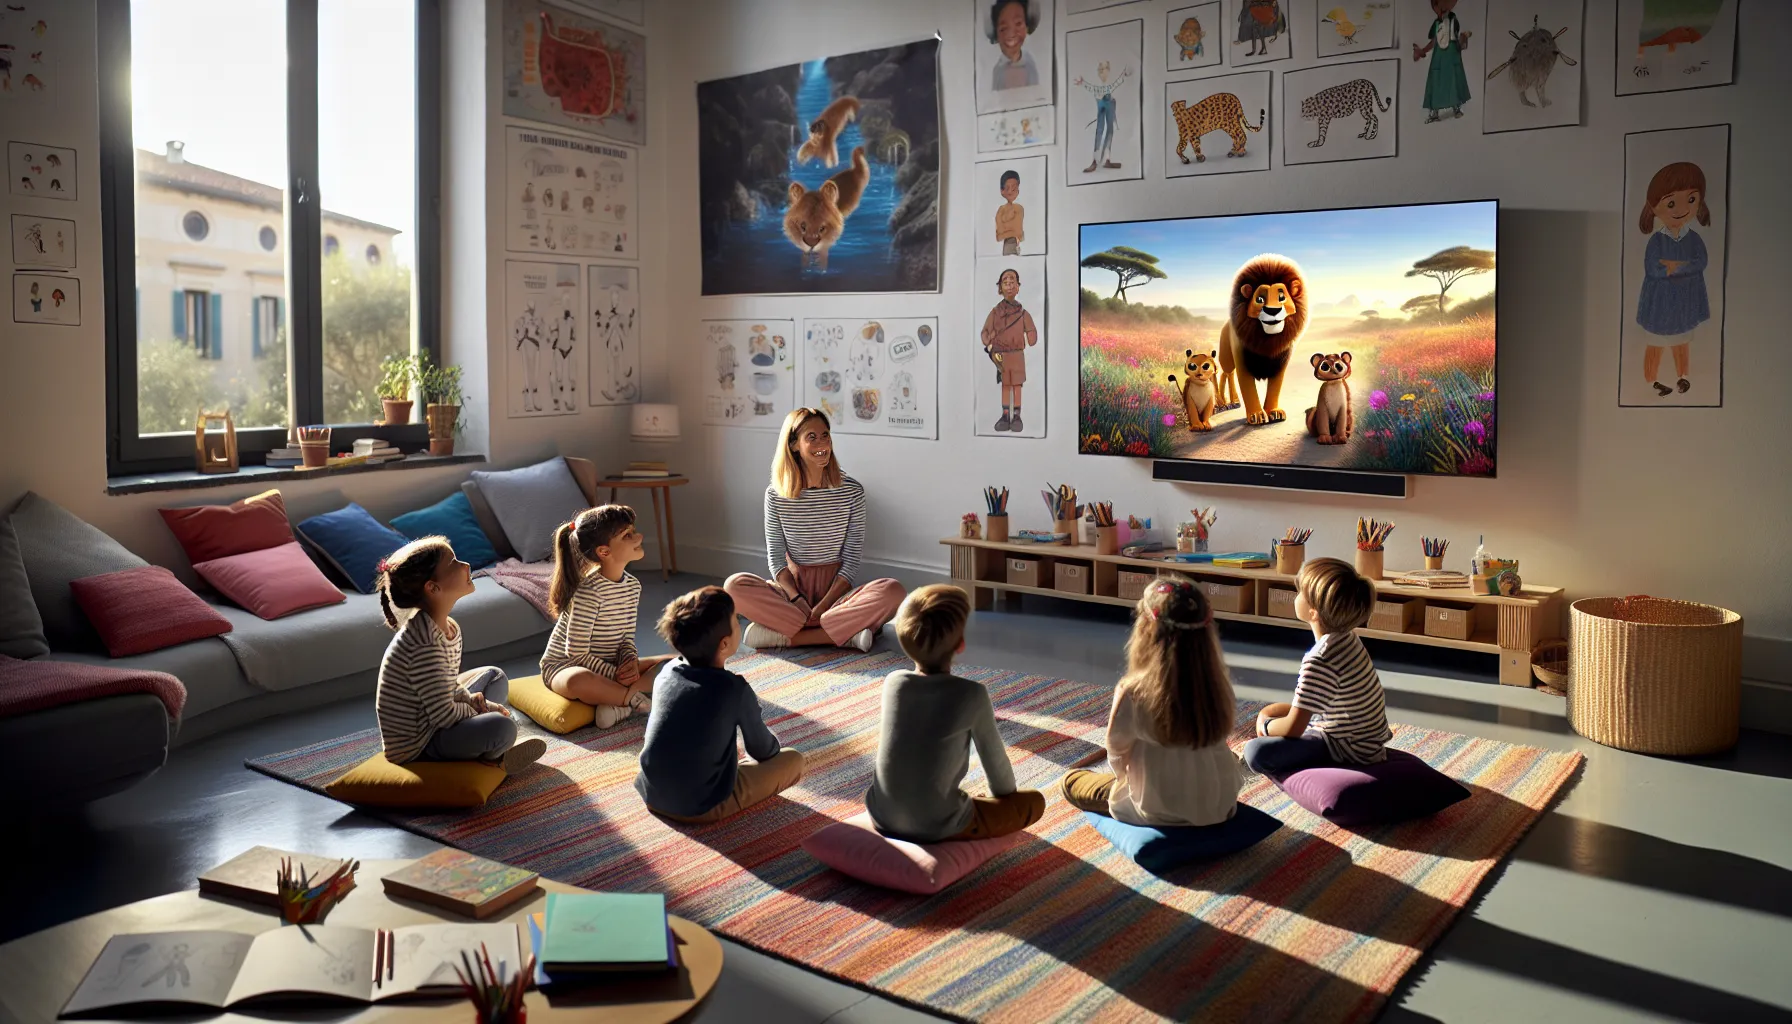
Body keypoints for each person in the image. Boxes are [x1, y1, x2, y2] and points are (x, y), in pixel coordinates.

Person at [866, 586, 1046, 843]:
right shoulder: (971, 694)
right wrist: (1004, 800)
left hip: (881, 814)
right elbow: (1000, 778)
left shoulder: (893, 683)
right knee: (1034, 802)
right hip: (936, 824)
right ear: (960, 644)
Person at [1059, 579, 1242, 826]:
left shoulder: (1134, 692)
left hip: (1156, 811)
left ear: (1146, 630)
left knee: (1071, 781)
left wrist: (1125, 783)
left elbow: (1117, 754)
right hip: (1219, 806)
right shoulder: (1217, 683)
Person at [724, 408, 906, 652]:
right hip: (792, 595)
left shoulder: (852, 491)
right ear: (794, 445)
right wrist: (796, 599)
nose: (822, 443)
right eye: (812, 437)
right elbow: (776, 559)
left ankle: (784, 637)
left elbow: (851, 559)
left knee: (893, 591)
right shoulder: (776, 495)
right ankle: (846, 635)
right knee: (734, 586)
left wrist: (825, 605)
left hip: (837, 595)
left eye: (825, 435)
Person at [374, 536, 545, 774]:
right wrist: (480, 708)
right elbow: (444, 715)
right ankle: (495, 758)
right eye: (453, 562)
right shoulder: (423, 644)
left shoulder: (447, 626)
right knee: (502, 727)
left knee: (494, 677)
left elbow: (448, 685)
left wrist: (474, 701)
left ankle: (487, 744)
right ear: (433, 588)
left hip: (436, 718)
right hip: (420, 744)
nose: (465, 565)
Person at [635, 587, 805, 824]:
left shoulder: (666, 672)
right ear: (724, 644)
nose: (739, 623)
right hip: (701, 807)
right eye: (736, 620)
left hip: (652, 793)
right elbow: (764, 751)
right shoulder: (733, 689)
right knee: (793, 760)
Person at [1244, 558, 1392, 775]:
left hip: (1347, 749)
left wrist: (1264, 725)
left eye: (1299, 592)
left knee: (1255, 752)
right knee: (1281, 711)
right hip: (1364, 740)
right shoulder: (1348, 638)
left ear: (1313, 612)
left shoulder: (1320, 659)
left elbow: (1293, 729)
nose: (1296, 595)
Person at [541, 505, 673, 728]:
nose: (639, 537)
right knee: (578, 680)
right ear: (604, 552)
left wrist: (629, 662)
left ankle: (619, 706)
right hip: (565, 667)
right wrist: (614, 674)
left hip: (610, 665)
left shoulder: (632, 586)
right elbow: (576, 654)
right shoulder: (588, 592)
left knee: (675, 662)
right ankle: (636, 700)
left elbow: (626, 638)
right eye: (627, 535)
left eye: (633, 531)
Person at [1635, 161, 1712, 397]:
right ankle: (1652, 380)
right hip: (1660, 304)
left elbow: (1701, 262)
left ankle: (1683, 376)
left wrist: (1675, 267)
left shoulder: (1694, 238)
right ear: (1654, 207)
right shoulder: (1657, 240)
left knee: (1681, 340)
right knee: (1656, 342)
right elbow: (1654, 269)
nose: (1681, 209)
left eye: (1691, 199)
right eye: (1670, 203)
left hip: (1684, 303)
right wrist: (1682, 268)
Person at [980, 267, 1039, 433]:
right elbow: (985, 332)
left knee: (1017, 385)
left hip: (1017, 354)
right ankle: (1005, 415)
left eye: (1012, 282)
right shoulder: (995, 312)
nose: (1009, 285)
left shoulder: (1023, 313)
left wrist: (1031, 334)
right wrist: (989, 343)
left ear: (1018, 287)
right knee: (1006, 385)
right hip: (1001, 355)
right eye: (1005, 282)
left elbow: (1032, 335)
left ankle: (1017, 416)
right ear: (1000, 288)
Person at [1412, 0, 1472, 122]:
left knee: (1453, 80)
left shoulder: (1453, 20)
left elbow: (1457, 39)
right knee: (1436, 80)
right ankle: (1434, 111)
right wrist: (1423, 51)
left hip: (1452, 54)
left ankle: (1456, 107)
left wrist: (1463, 39)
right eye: (1437, 5)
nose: (1441, 8)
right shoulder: (1436, 23)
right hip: (1439, 55)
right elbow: (1434, 40)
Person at [1074, 60, 1132, 173]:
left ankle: (1106, 160)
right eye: (1099, 69)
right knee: (1099, 132)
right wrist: (1083, 83)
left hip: (1109, 112)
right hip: (1101, 112)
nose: (1101, 71)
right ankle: (1095, 161)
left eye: (1104, 69)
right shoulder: (1097, 87)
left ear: (1108, 71)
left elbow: (1116, 83)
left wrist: (1123, 75)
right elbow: (1091, 88)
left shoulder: (1109, 85)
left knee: (1109, 132)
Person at [987, 0, 1039, 91]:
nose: (1011, 34)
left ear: (1026, 27)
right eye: (1003, 29)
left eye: (1018, 24)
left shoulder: (1031, 64)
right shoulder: (997, 70)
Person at [994, 169, 1025, 256]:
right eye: (1007, 188)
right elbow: (999, 235)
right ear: (1002, 191)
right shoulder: (1001, 210)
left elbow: (1018, 232)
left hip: (1016, 244)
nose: (1010, 191)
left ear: (1018, 190)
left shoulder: (1019, 208)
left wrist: (1006, 231)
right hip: (1005, 246)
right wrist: (1011, 231)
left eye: (1014, 189)